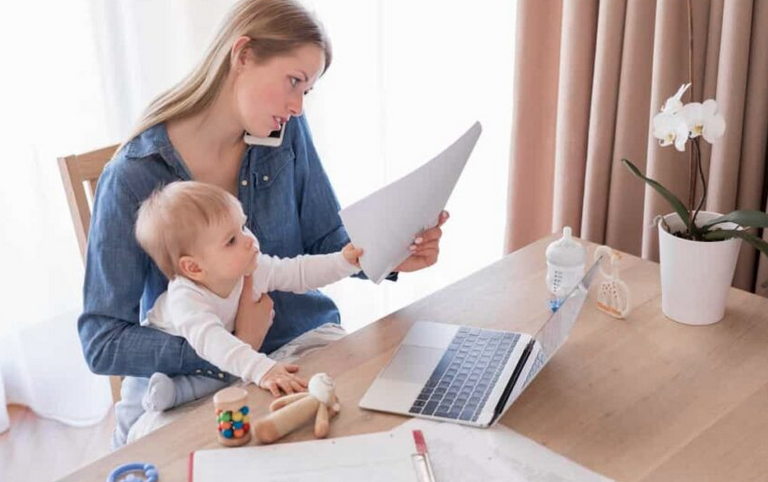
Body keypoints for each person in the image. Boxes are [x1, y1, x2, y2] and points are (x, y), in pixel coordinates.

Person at [79, 0, 448, 449]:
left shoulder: (284, 132)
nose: (298, 107)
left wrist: (390, 254)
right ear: (243, 55)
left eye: (307, 91)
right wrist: (235, 344)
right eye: (294, 81)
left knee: (387, 436)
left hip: (304, 343)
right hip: (194, 379)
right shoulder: (133, 176)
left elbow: (324, 239)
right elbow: (102, 342)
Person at [135, 181, 362, 418]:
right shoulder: (185, 298)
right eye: (231, 240)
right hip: (165, 366)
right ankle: (167, 393)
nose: (249, 240)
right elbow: (213, 342)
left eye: (243, 226)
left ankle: (175, 392)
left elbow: (298, 272)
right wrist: (263, 370)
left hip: (213, 362)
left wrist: (343, 262)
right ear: (194, 267)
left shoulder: (251, 267)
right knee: (154, 395)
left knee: (221, 374)